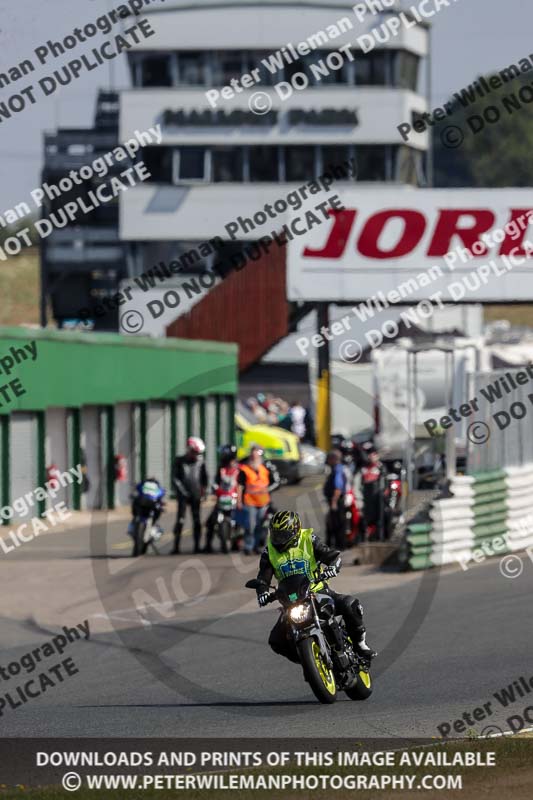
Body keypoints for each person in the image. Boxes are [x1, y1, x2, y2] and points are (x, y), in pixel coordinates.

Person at [254, 510, 376, 663]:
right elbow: (262, 578)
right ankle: (309, 661)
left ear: (295, 530)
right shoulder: (268, 552)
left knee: (350, 604)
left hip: (317, 591)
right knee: (276, 641)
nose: (278, 539)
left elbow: (332, 555)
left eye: (283, 535)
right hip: (291, 601)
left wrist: (332, 567)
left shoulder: (308, 539)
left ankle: (360, 645)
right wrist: (262, 592)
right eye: (275, 534)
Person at [238, 445, 280, 555]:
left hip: (264, 502)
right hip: (249, 501)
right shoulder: (244, 469)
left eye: (256, 455)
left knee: (261, 525)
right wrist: (239, 501)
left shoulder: (266, 468)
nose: (254, 457)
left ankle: (258, 546)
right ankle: (248, 546)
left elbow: (275, 482)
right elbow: (240, 486)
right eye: (252, 455)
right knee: (250, 525)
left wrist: (268, 490)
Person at [172, 436, 208, 554]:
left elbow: (204, 479)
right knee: (180, 520)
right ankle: (176, 546)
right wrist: (182, 492)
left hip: (195, 494)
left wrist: (204, 492)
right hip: (183, 495)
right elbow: (175, 478)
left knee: (197, 520)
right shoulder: (179, 461)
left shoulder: (201, 462)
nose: (196, 455)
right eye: (194, 452)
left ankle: (197, 546)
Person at [204, 444, 240, 553]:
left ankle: (238, 542)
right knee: (210, 522)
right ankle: (208, 545)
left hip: (234, 498)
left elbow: (242, 483)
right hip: (222, 497)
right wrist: (215, 488)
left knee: (242, 520)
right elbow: (216, 482)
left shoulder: (239, 469)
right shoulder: (221, 468)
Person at [323, 449, 350, 550]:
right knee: (333, 523)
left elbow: (338, 487)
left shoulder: (338, 470)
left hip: (337, 501)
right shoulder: (337, 469)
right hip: (335, 500)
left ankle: (340, 546)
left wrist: (334, 501)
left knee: (337, 524)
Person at [361, 448, 385, 540]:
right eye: (370, 454)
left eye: (373, 454)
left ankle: (379, 537)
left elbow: (385, 484)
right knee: (367, 518)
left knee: (379, 518)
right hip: (367, 499)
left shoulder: (380, 468)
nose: (371, 457)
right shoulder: (364, 468)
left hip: (378, 499)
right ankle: (368, 536)